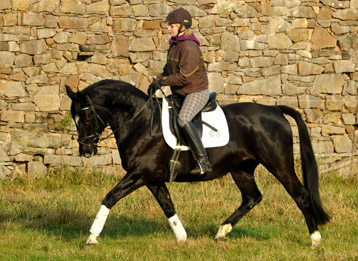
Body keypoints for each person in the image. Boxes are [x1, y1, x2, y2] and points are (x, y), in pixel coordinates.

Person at [148, 7, 212, 175]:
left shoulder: (189, 48)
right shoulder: (175, 46)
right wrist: (157, 82)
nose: (169, 29)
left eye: (172, 26)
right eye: (169, 26)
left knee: (183, 119)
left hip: (196, 92)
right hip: (181, 93)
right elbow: (168, 72)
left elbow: (185, 78)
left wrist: (163, 81)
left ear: (183, 27)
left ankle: (203, 161)